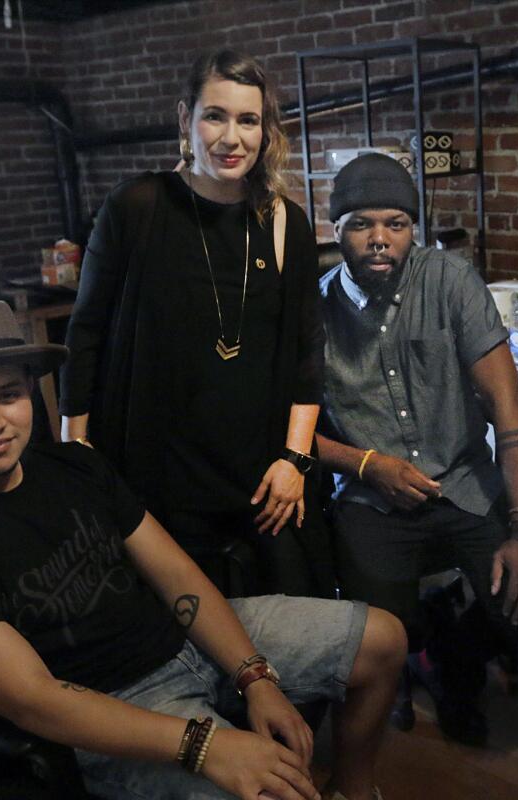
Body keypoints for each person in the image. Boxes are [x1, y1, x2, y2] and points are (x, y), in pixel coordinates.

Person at [0, 300, 405, 800]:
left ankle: (353, 791)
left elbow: (176, 573)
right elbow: (37, 699)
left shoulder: (76, 467)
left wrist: (254, 675)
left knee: (382, 639)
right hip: (109, 707)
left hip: (180, 641)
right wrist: (207, 745)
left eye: (8, 394)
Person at [59, 50, 331, 597]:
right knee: (182, 640)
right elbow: (85, 332)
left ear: (265, 130)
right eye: (216, 116)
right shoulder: (136, 207)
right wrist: (76, 449)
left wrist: (294, 460)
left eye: (248, 120)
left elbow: (308, 351)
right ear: (186, 119)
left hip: (262, 477)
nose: (232, 138)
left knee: (296, 629)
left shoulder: (284, 221)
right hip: (158, 477)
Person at [313, 153, 518, 745]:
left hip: (464, 481)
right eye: (361, 224)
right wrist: (366, 465)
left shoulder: (450, 279)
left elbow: (508, 406)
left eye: (396, 223)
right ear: (335, 229)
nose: (379, 239)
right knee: (386, 635)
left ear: (413, 227)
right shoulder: (311, 310)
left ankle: (455, 657)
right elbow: (284, 429)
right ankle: (420, 647)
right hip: (372, 498)